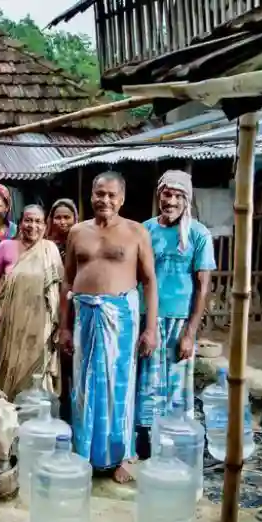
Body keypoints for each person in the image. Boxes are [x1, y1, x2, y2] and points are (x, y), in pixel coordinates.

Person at [59, 171, 159, 484]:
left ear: (122, 199)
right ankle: (85, 454)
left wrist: (150, 328)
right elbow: (66, 280)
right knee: (84, 388)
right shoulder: (77, 231)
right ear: (91, 196)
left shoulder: (136, 232)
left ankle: (123, 456)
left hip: (122, 319)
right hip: (85, 318)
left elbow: (149, 281)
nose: (105, 200)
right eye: (99, 194)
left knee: (120, 387)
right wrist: (64, 326)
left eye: (111, 195)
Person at [135, 170, 216, 456]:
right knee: (147, 383)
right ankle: (146, 445)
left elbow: (202, 286)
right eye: (166, 194)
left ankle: (175, 446)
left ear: (187, 200)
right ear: (159, 196)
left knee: (177, 387)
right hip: (149, 320)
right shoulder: (144, 230)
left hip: (180, 322)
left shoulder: (199, 234)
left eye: (178, 196)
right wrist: (145, 326)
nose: (171, 201)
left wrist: (190, 333)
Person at [0, 205, 63, 399]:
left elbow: (59, 292)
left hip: (41, 331)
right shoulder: (6, 247)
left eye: (38, 221)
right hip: (10, 329)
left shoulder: (50, 251)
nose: (33, 226)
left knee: (37, 379)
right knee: (7, 374)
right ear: (20, 223)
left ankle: (37, 422)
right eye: (28, 220)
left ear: (45, 225)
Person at [45, 198, 79, 422]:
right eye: (58, 217)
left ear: (76, 220)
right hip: (47, 310)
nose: (62, 222)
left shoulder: (80, 244)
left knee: (72, 361)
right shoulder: (44, 245)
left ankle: (71, 412)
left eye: (67, 217)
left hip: (75, 311)